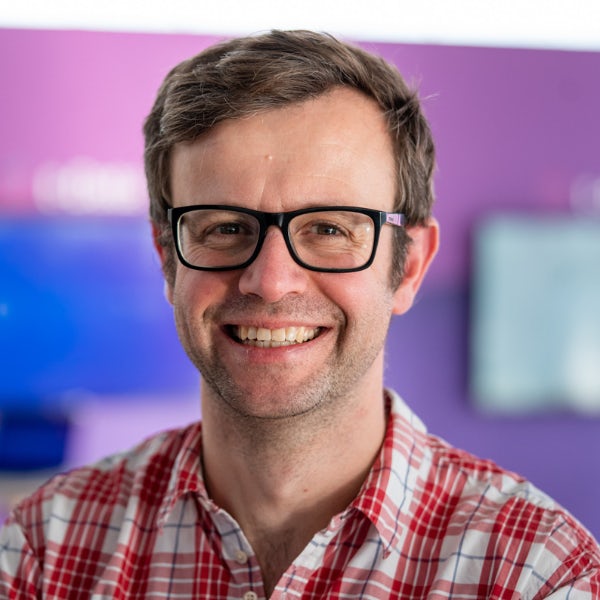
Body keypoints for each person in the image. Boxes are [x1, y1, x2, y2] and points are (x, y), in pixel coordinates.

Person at [1, 30, 599, 599]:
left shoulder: (537, 576)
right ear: (167, 259)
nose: (270, 281)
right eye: (225, 228)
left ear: (410, 266)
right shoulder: (43, 551)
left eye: (329, 229)